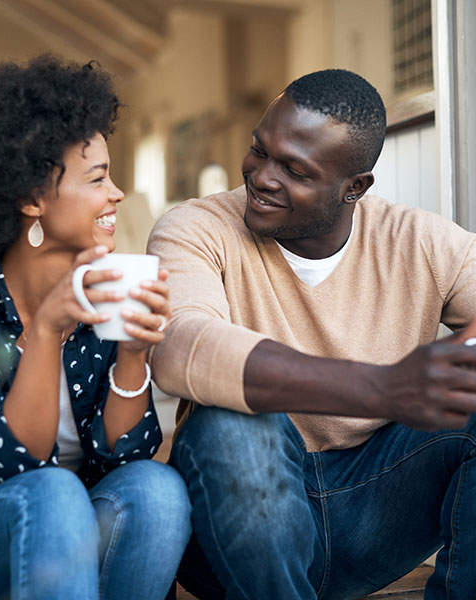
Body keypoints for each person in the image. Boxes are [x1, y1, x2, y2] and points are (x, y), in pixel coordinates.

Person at [147, 69, 476, 600]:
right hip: (235, 529)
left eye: (294, 169)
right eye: (260, 150)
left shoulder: (420, 241)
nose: (262, 176)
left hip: (373, 513)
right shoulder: (194, 228)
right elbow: (181, 347)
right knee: (233, 422)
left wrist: (453, 362)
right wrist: (383, 386)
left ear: (354, 188)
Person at [0, 56, 191, 600]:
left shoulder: (102, 294)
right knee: (49, 493)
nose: (117, 194)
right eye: (98, 178)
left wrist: (134, 353)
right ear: (30, 199)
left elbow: (124, 457)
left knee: (157, 489)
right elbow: (12, 462)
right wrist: (46, 331)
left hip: (68, 560)